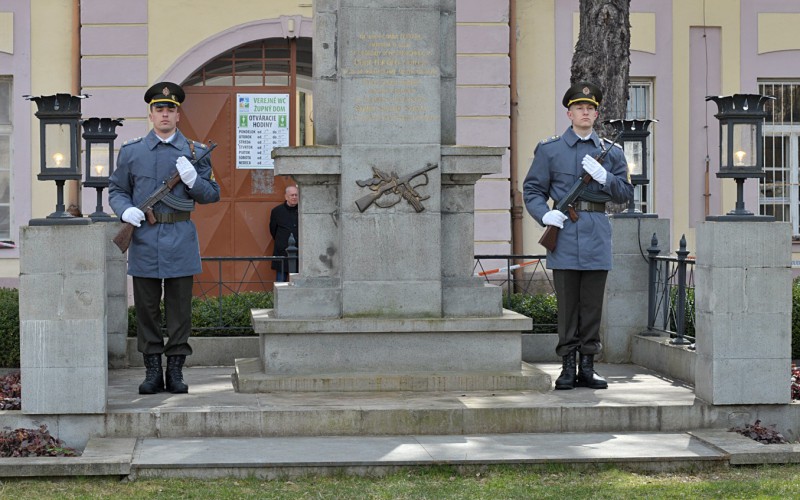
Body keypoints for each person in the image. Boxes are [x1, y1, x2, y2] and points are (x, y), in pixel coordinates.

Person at [109, 81, 221, 395]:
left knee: (179, 311)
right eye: (159, 109)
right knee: (147, 310)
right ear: (151, 114)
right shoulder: (132, 152)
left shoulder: (196, 152)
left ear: (178, 115)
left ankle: (175, 372)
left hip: (181, 239)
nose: (165, 114)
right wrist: (126, 210)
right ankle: (152, 372)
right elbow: (117, 190)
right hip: (144, 239)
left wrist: (193, 180)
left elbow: (212, 194)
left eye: (170, 109)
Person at [523, 81, 633, 391]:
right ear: (569, 114)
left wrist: (606, 177)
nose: (585, 112)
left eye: (590, 108)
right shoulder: (550, 149)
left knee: (592, 307)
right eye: (579, 108)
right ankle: (567, 367)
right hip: (565, 235)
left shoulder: (611, 152)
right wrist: (544, 215)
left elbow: (625, 194)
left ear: (596, 114)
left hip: (596, 234)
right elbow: (532, 189)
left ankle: (588, 366)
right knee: (568, 306)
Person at [269, 185, 299, 282]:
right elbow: (273, 230)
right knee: (281, 281)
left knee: (298, 282)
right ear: (286, 196)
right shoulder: (277, 211)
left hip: (299, 252)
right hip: (282, 251)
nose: (294, 197)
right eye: (292, 195)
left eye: (296, 195)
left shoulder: (303, 210)